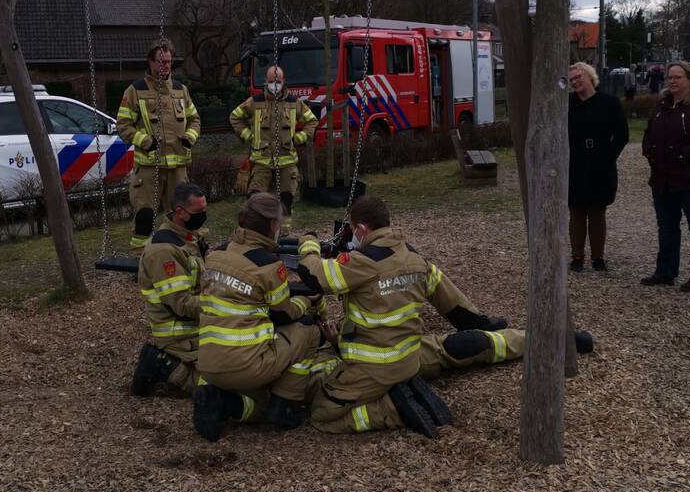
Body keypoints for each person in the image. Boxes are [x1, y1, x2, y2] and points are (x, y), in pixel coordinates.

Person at [294, 196, 512, 439]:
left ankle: (392, 409)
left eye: (353, 230)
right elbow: (452, 302)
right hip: (410, 358)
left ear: (362, 229)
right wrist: (479, 323)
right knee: (457, 346)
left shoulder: (362, 263)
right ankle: (521, 340)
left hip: (373, 367)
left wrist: (308, 244)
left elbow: (314, 274)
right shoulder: (414, 258)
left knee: (321, 413)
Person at [191, 193, 323, 441]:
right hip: (247, 366)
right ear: (272, 225)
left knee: (257, 403)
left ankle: (221, 401)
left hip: (207, 365)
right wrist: (307, 301)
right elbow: (284, 313)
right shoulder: (269, 265)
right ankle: (285, 403)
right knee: (308, 329)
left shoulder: (215, 255)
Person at [641, 61, 690, 291]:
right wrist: (649, 151)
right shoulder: (662, 104)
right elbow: (649, 132)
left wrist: (684, 155)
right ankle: (665, 270)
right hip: (663, 177)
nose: (673, 81)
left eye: (678, 77)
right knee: (666, 226)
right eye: (670, 77)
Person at [117, 39, 201, 255]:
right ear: (150, 62)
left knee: (182, 215)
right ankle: (141, 258)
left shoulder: (181, 90)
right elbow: (123, 125)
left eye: (168, 62)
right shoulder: (136, 91)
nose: (165, 66)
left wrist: (190, 137)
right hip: (148, 167)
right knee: (145, 216)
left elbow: (195, 119)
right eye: (160, 61)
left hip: (177, 168)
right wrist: (145, 141)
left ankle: (183, 254)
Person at [130, 183, 209, 396]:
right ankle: (163, 366)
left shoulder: (189, 237)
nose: (203, 215)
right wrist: (222, 305)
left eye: (205, 209)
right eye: (199, 211)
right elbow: (182, 304)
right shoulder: (164, 251)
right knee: (221, 382)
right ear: (180, 212)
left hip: (198, 325)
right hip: (179, 335)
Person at [230, 66, 319, 233]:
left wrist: (299, 138)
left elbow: (312, 121)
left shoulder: (293, 102)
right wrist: (248, 136)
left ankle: (284, 233)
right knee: (255, 200)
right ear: (266, 81)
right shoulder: (255, 101)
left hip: (287, 161)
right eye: (271, 81)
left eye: (277, 81)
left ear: (283, 81)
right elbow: (235, 117)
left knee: (286, 199)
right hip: (261, 160)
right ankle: (254, 232)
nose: (274, 85)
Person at [567, 62, 629, 273]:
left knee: (597, 211)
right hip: (574, 163)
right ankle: (577, 256)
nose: (575, 82)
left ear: (589, 76)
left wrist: (609, 157)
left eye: (578, 77)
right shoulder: (567, 104)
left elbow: (622, 135)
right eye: (572, 80)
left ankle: (597, 257)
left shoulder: (609, 103)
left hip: (601, 162)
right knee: (576, 211)